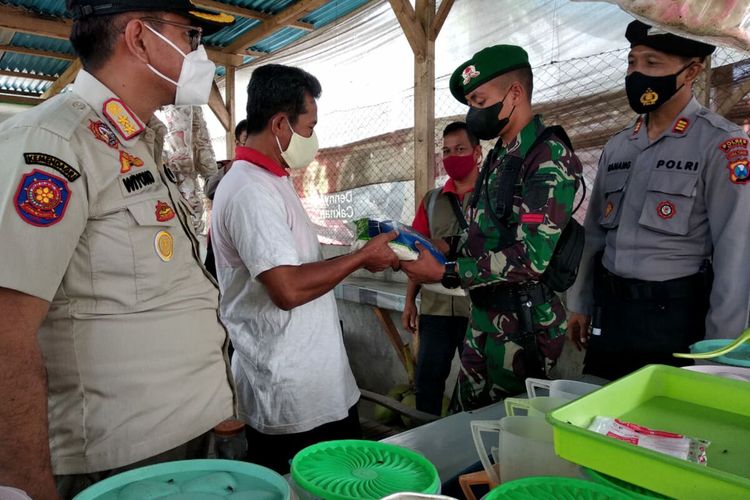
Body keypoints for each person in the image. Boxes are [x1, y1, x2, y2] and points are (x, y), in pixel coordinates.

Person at [0, 1, 236, 498]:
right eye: (191, 36)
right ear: (139, 38)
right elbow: (5, 327)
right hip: (116, 462)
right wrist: (26, 484)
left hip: (181, 442)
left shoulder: (136, 141)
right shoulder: (54, 141)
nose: (200, 52)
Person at [210, 64, 399, 474]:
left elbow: (299, 269)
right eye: (308, 126)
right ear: (280, 123)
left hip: (317, 385)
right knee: (313, 485)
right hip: (291, 396)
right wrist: (362, 258)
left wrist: (356, 254)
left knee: (348, 478)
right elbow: (287, 289)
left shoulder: (272, 181)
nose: (313, 138)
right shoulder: (249, 191)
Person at [566, 21, 750, 380]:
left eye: (652, 64)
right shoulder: (619, 146)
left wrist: (720, 351)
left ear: (691, 71)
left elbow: (737, 251)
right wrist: (580, 303)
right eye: (632, 63)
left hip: (676, 321)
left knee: (665, 429)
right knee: (597, 412)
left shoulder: (721, 145)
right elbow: (594, 237)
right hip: (613, 314)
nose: (637, 74)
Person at [402, 45, 583, 410]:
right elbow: (483, 233)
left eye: (480, 100)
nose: (474, 113)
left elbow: (532, 257)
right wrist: (440, 245)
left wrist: (446, 271)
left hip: (523, 324)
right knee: (466, 420)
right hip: (485, 316)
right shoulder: (501, 154)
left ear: (515, 94)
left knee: (506, 430)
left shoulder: (546, 156)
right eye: (470, 103)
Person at [401, 122, 480, 416]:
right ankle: (426, 441)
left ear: (477, 152)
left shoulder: (491, 197)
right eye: (446, 151)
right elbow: (415, 253)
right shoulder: (432, 200)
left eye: (460, 149)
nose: (452, 156)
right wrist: (410, 301)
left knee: (475, 386)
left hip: (477, 309)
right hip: (435, 307)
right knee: (427, 382)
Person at [204, 119, 248, 279]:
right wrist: (237, 163)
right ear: (237, 143)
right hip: (220, 242)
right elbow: (209, 190)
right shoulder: (226, 167)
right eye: (246, 142)